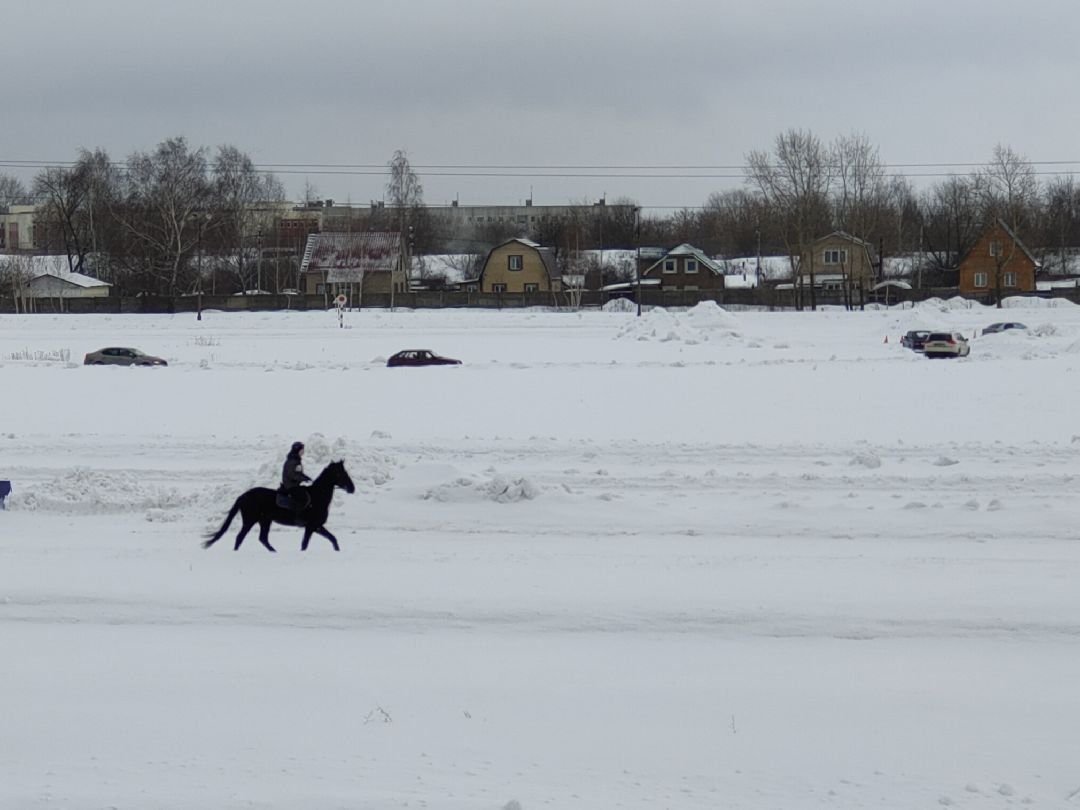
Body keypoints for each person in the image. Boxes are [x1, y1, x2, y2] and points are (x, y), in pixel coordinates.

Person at [279, 441, 311, 518]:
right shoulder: (293, 461)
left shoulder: (296, 460)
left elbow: (298, 473)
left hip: (294, 484)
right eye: (302, 450)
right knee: (303, 497)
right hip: (290, 485)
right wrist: (303, 479)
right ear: (297, 450)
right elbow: (292, 475)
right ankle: (297, 515)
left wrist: (306, 478)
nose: (303, 451)